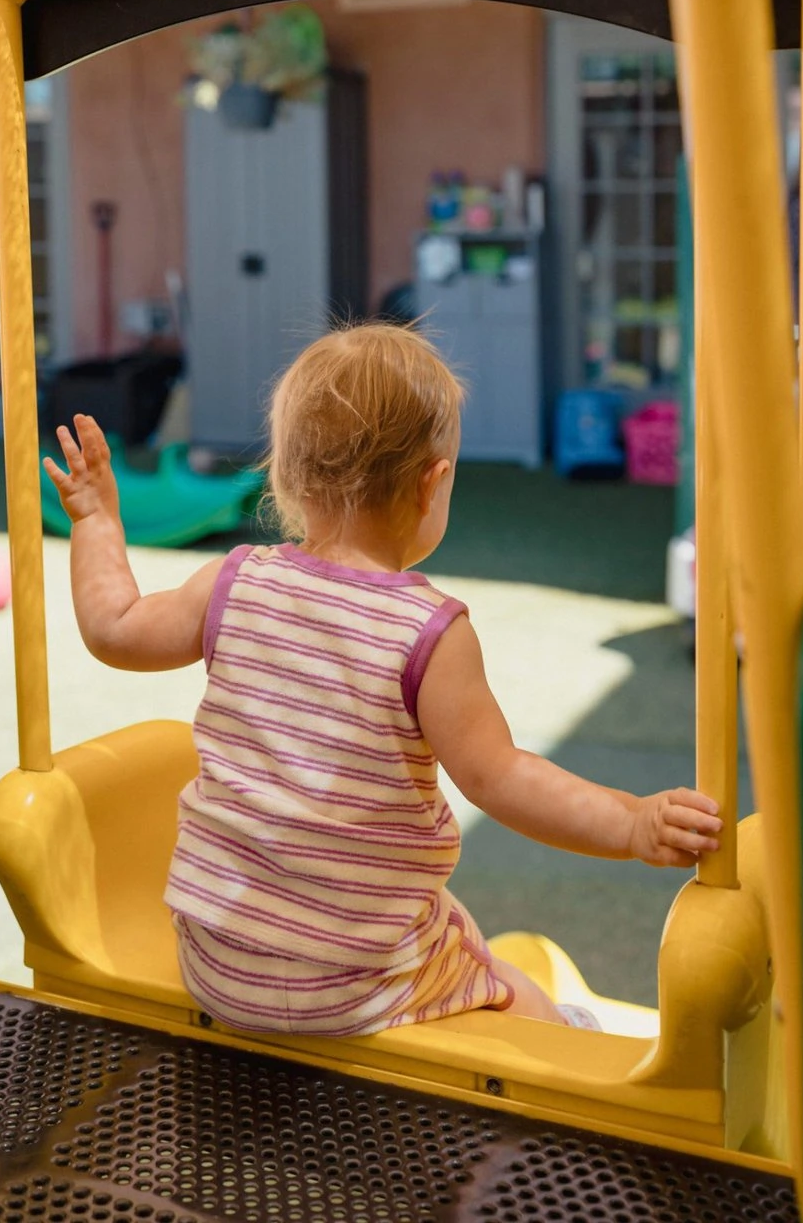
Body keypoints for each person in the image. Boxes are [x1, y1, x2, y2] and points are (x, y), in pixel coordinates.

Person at [43, 322, 721, 1037]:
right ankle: (566, 1033)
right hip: (348, 988)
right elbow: (501, 779)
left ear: (287, 474)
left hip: (218, 962)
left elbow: (113, 627)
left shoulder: (233, 583)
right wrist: (632, 822)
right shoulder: (428, 632)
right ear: (434, 484)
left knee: (432, 912)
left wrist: (95, 518)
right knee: (503, 979)